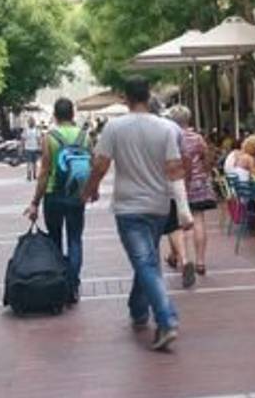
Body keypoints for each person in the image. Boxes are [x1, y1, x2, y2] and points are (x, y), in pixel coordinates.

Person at [80, 77, 193, 351]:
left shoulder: (114, 127)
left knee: (145, 263)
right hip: (158, 206)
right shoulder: (166, 128)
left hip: (129, 207)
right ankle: (138, 309)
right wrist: (182, 204)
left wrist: (89, 190)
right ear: (149, 95)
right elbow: (176, 169)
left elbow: (100, 164)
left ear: (125, 98)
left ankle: (166, 319)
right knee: (147, 260)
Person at [23, 98, 89, 304]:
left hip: (54, 194)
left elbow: (44, 172)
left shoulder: (49, 137)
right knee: (75, 239)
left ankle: (59, 284)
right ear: (73, 114)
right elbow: (91, 164)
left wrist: (35, 201)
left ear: (55, 115)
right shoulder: (85, 136)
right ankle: (73, 286)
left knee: (55, 240)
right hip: (76, 194)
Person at [167, 105, 217, 276]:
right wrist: (204, 172)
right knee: (198, 220)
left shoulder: (170, 138)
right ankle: (201, 262)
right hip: (198, 184)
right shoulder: (197, 138)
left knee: (176, 223)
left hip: (176, 183)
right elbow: (207, 157)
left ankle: (181, 257)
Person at [22, 117, 41, 181]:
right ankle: (34, 175)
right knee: (34, 163)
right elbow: (38, 139)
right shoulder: (36, 130)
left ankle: (29, 176)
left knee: (29, 162)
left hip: (29, 148)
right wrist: (39, 146)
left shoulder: (26, 130)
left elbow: (23, 139)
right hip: (34, 148)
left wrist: (23, 147)